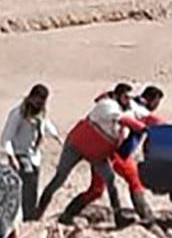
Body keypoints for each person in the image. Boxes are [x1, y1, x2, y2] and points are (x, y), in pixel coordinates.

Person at [34, 83, 148, 228]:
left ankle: (117, 215)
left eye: (129, 98)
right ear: (118, 96)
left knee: (110, 180)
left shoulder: (130, 108)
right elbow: (125, 120)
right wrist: (143, 128)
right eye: (125, 97)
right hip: (77, 146)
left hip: (97, 153)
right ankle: (39, 213)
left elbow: (146, 116)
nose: (128, 100)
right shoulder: (107, 106)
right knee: (60, 179)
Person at [0, 83, 62, 219]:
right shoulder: (18, 114)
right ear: (32, 97)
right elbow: (7, 136)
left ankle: (31, 213)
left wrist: (56, 136)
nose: (39, 103)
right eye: (38, 99)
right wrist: (11, 157)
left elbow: (45, 123)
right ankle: (26, 215)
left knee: (34, 184)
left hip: (34, 155)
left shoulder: (40, 113)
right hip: (20, 154)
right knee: (27, 180)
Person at [112, 85, 165, 223]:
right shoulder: (139, 109)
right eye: (157, 103)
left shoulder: (133, 105)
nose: (157, 106)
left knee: (97, 188)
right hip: (118, 152)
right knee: (135, 182)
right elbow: (155, 121)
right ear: (152, 100)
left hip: (108, 150)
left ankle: (68, 215)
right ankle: (146, 216)